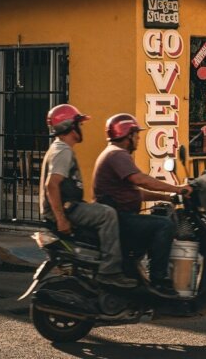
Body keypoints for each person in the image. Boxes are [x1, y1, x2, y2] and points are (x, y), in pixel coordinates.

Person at [92, 113, 191, 297]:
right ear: (127, 135)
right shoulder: (117, 154)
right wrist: (178, 189)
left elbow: (136, 193)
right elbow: (140, 180)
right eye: (136, 134)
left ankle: (139, 273)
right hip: (119, 218)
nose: (138, 138)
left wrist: (167, 197)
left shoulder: (116, 153)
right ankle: (159, 281)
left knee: (159, 219)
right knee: (164, 225)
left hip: (118, 215)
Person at [40, 104, 136, 289]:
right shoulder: (62, 150)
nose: (81, 128)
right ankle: (110, 272)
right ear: (70, 126)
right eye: (79, 124)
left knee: (100, 210)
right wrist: (61, 219)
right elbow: (52, 185)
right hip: (67, 209)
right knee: (107, 214)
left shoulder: (60, 148)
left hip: (70, 206)